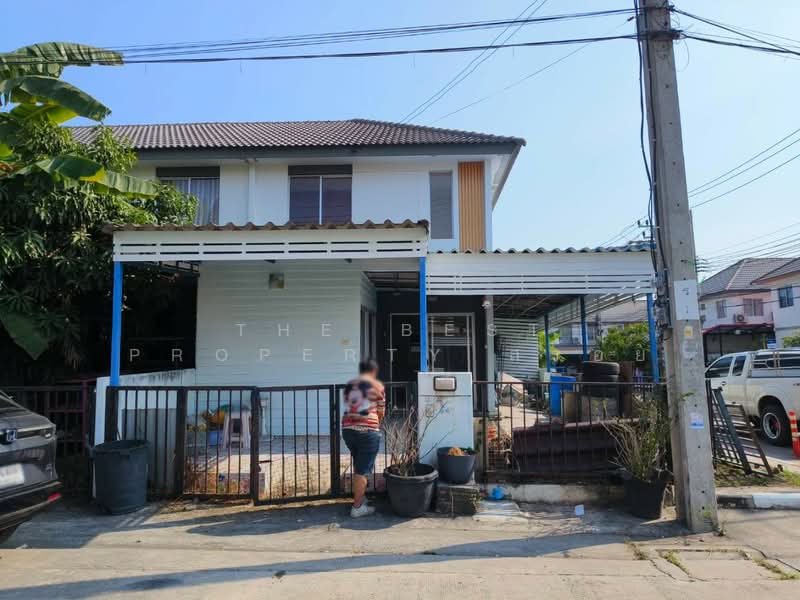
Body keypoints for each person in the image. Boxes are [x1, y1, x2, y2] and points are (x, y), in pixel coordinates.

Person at [341, 359, 385, 518]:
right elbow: (381, 410)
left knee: (359, 465)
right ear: (373, 371)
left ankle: (361, 498)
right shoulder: (377, 385)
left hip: (347, 431)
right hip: (367, 431)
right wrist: (376, 424)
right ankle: (357, 508)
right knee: (363, 470)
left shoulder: (350, 385)